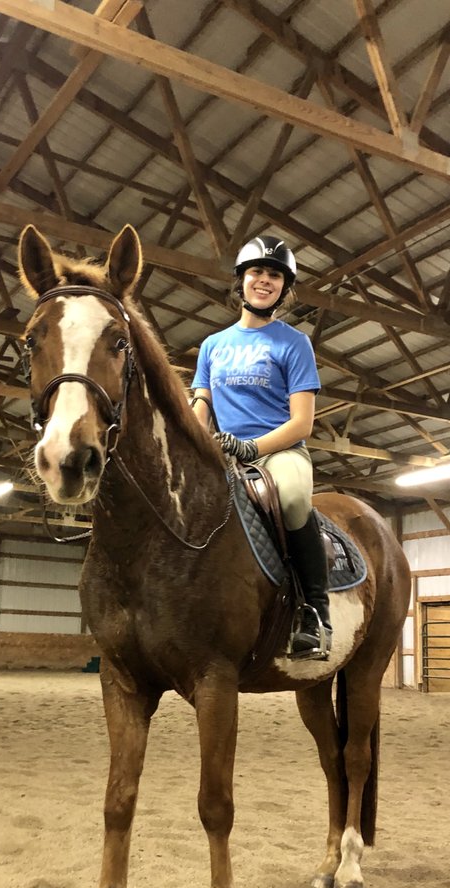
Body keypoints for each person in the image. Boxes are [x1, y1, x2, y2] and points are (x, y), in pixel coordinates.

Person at [191, 236, 332, 658]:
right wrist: (199, 445)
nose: (264, 280)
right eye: (257, 272)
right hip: (223, 453)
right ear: (242, 281)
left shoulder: (294, 343)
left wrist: (252, 448)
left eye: (274, 275)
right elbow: (201, 405)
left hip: (279, 452)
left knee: (291, 500)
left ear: (283, 289)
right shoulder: (212, 346)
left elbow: (302, 422)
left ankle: (315, 614)